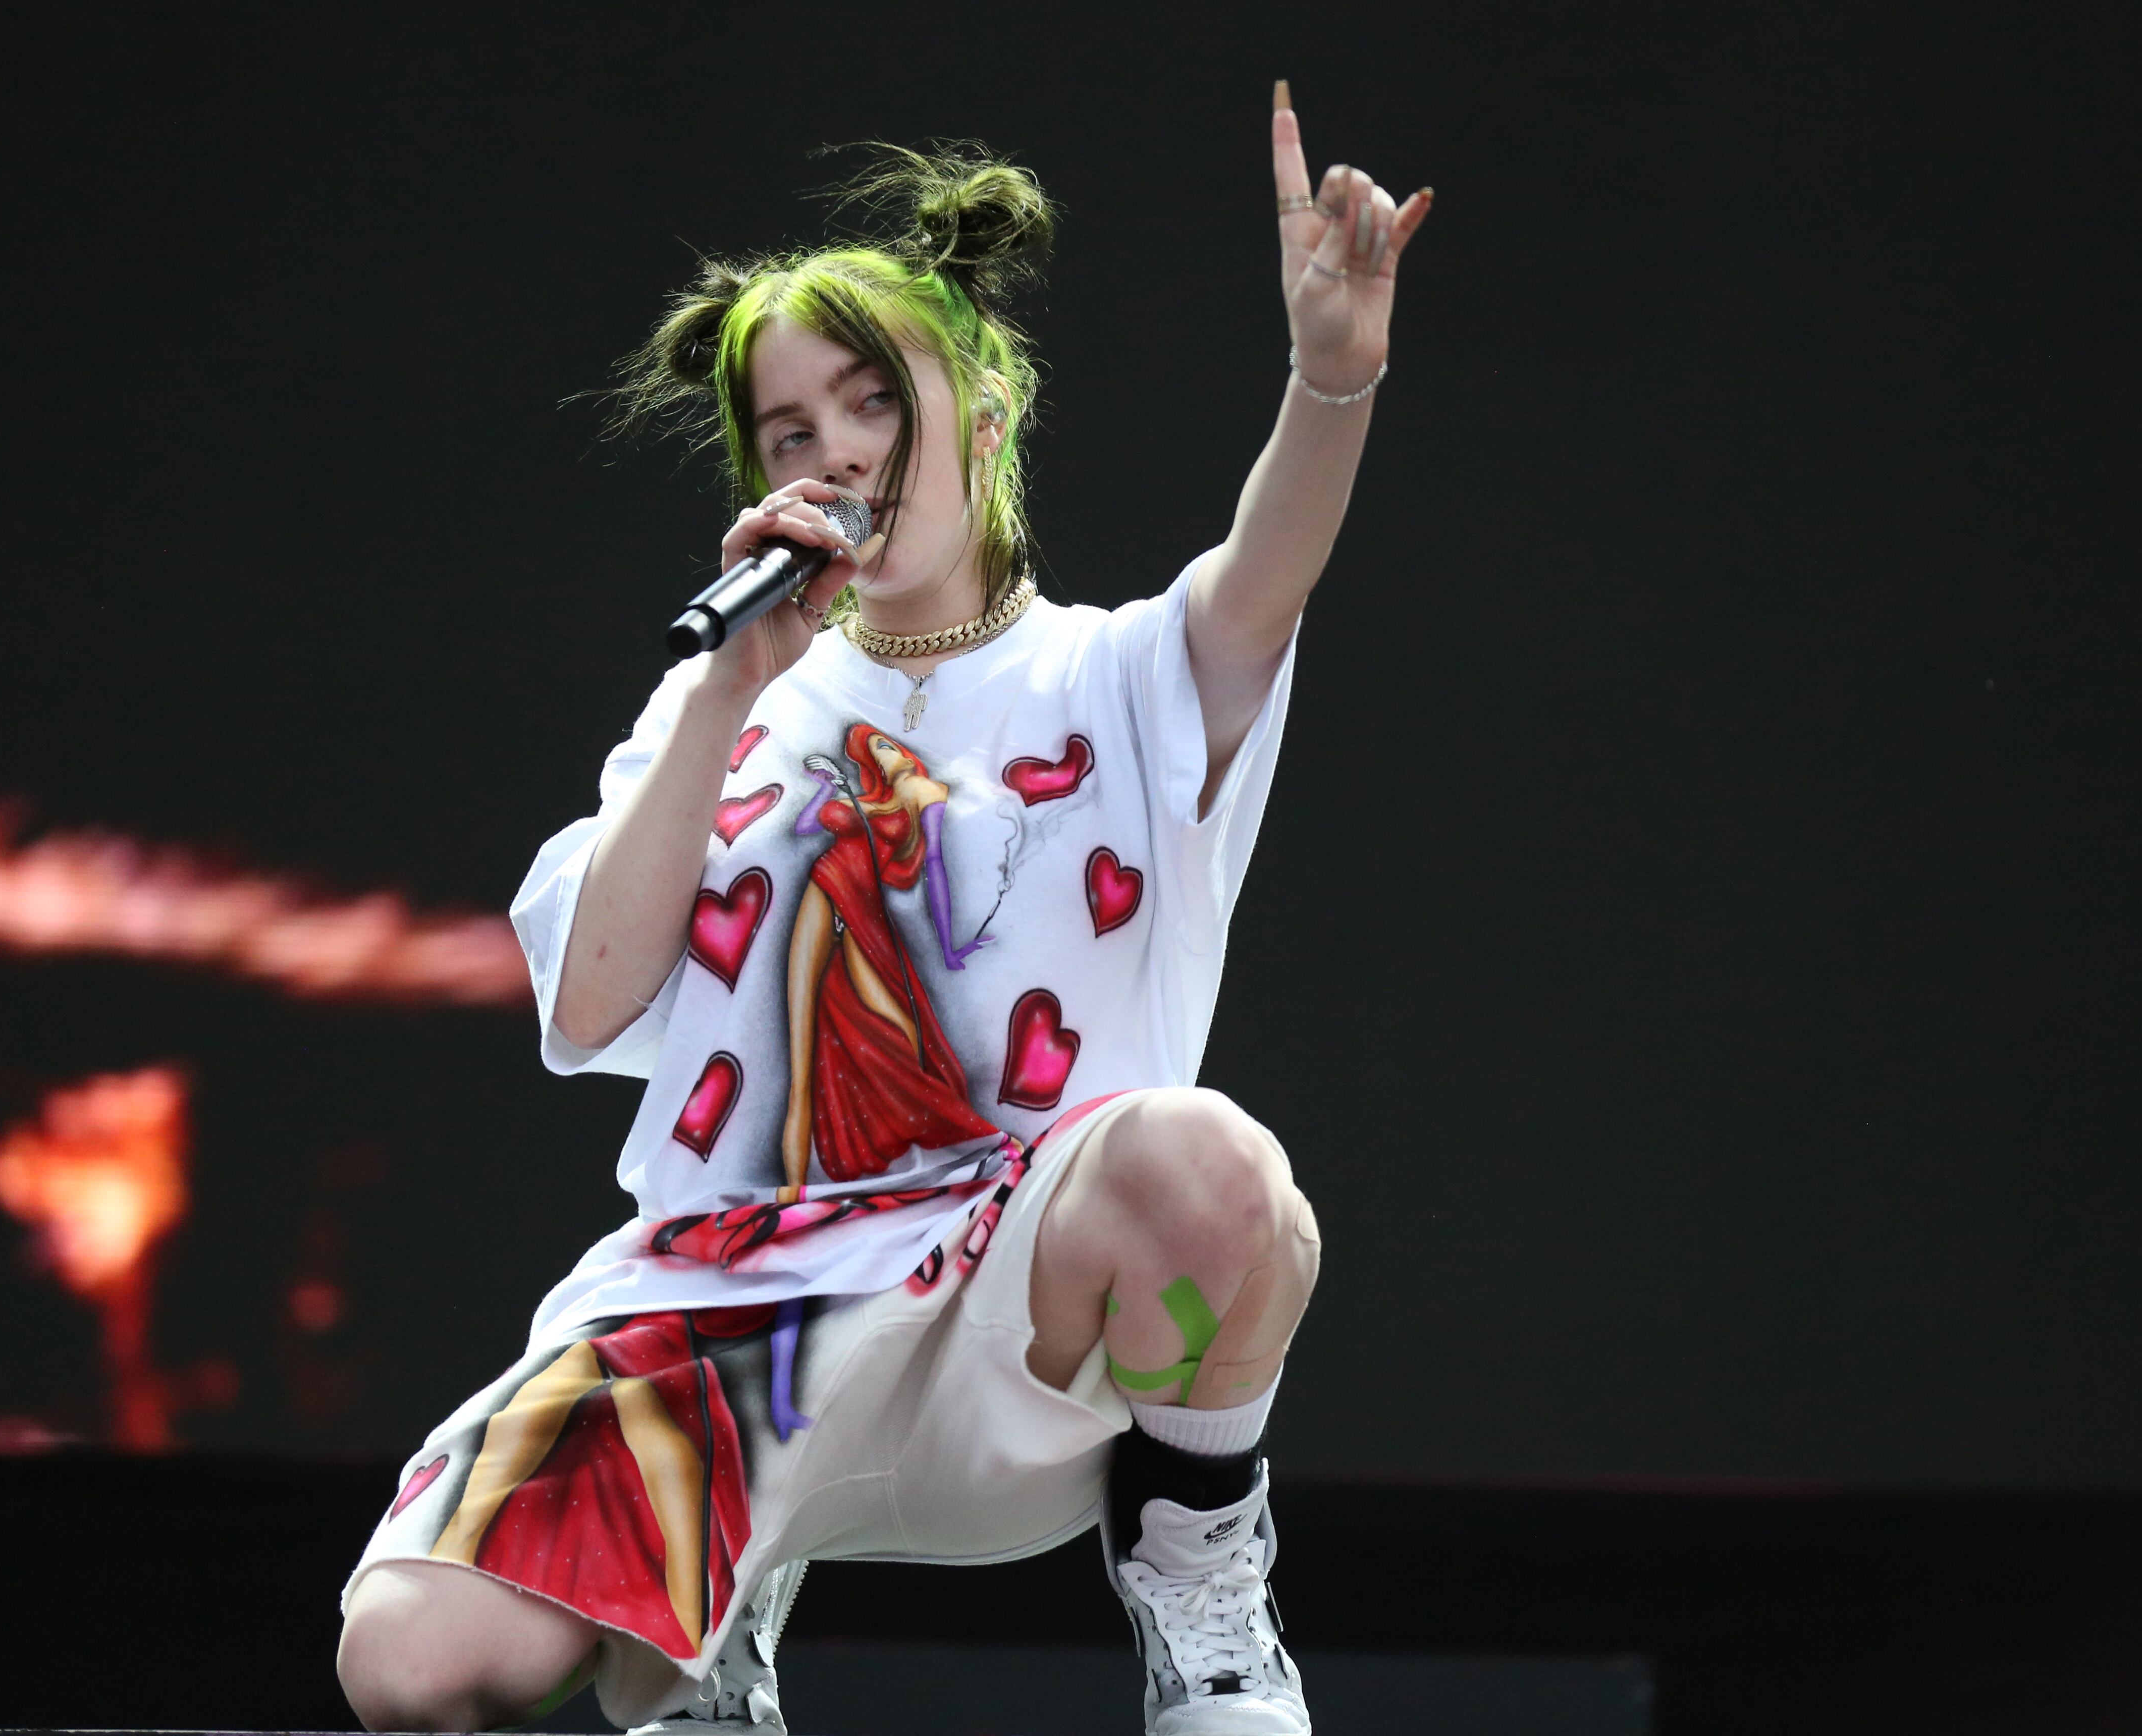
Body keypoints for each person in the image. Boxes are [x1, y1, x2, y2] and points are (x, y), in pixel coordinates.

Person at [337, 84, 1428, 1736]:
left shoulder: (1121, 673)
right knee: (407, 1665)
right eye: (790, 432)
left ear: (984, 418)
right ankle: (714, 1605)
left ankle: (1199, 1568)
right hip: (730, 1323)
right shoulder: (719, 703)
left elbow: (1269, 567)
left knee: (1207, 1165)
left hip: (1013, 1319)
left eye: (871, 400)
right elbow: (590, 1001)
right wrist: (726, 694)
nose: (835, 452)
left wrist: (1331, 375)